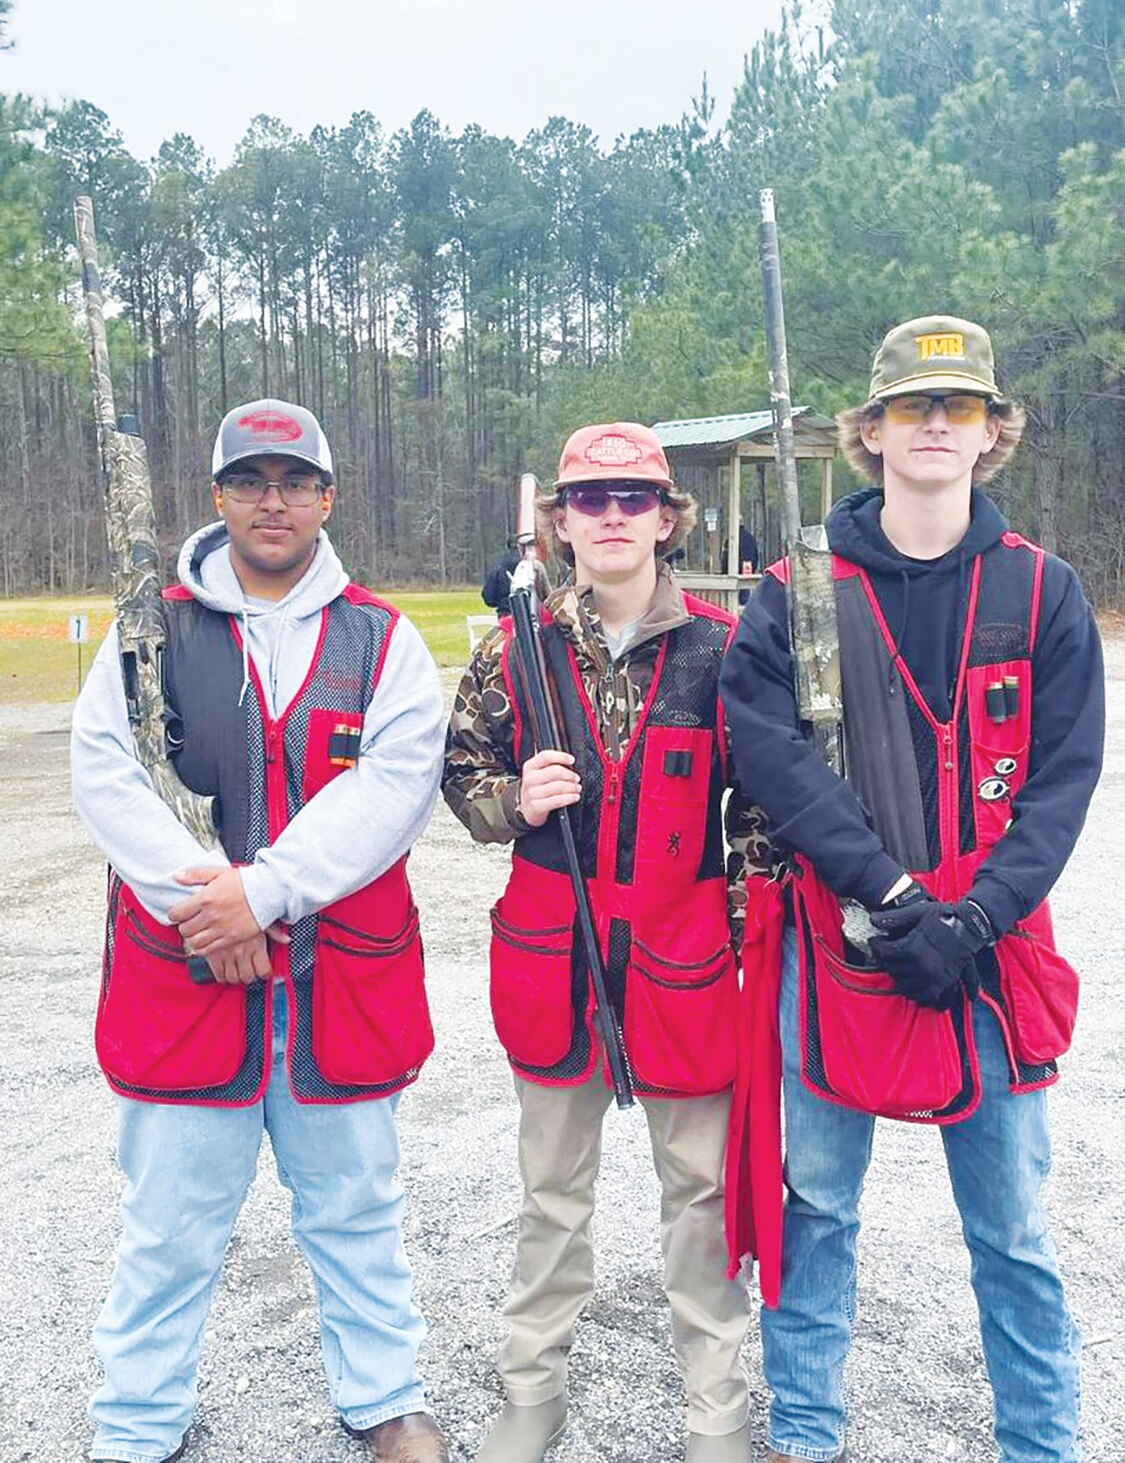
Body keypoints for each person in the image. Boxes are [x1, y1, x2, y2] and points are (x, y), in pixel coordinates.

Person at [720, 317, 1104, 1463]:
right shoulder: (798, 592)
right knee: (819, 1212)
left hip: (988, 959)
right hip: (845, 949)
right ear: (871, 431)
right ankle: (804, 1434)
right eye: (913, 407)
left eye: (961, 407)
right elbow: (771, 754)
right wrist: (888, 892)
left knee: (1016, 1234)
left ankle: (1041, 1444)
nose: (936, 425)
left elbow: (1064, 780)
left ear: (992, 433)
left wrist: (976, 916)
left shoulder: (1045, 593)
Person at [71, 398, 449, 1463]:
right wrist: (208, 904)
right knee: (169, 1229)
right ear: (219, 496)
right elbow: (106, 770)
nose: (271, 500)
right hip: (189, 979)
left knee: (357, 1212)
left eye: (293, 481)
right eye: (249, 480)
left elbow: (396, 785)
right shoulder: (153, 629)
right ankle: (137, 1423)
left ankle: (385, 1399)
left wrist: (265, 893)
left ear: (328, 497)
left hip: (338, 985)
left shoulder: (383, 636)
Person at [444, 422, 773, 1463]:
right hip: (555, 953)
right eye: (594, 500)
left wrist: (733, 940)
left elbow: (763, 813)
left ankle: (715, 1417)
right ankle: (529, 1401)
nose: (616, 516)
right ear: (563, 522)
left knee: (704, 1199)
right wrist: (512, 801)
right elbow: (459, 778)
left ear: (669, 519)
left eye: (637, 499)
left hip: (682, 961)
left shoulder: (729, 648)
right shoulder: (515, 647)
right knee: (550, 1197)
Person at [481, 539, 521, 618]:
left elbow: (488, 597)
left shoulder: (499, 566)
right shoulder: (531, 564)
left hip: (505, 614)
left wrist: (501, 603)